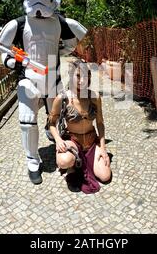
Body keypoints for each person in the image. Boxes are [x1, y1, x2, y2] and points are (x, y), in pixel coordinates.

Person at [0, 0, 88, 185]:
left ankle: (63, 149)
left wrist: (60, 52)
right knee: (27, 122)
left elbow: (73, 42)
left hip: (53, 79)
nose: (39, 4)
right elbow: (2, 49)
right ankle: (32, 161)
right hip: (29, 80)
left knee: (59, 118)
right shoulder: (18, 24)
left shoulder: (60, 22)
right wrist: (15, 61)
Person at [48, 59, 112, 193]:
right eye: (78, 76)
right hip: (73, 141)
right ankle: (73, 164)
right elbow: (51, 124)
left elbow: (100, 123)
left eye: (85, 76)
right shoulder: (62, 98)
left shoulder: (94, 97)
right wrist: (58, 140)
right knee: (64, 161)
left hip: (91, 141)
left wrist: (103, 148)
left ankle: (81, 163)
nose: (82, 81)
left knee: (105, 176)